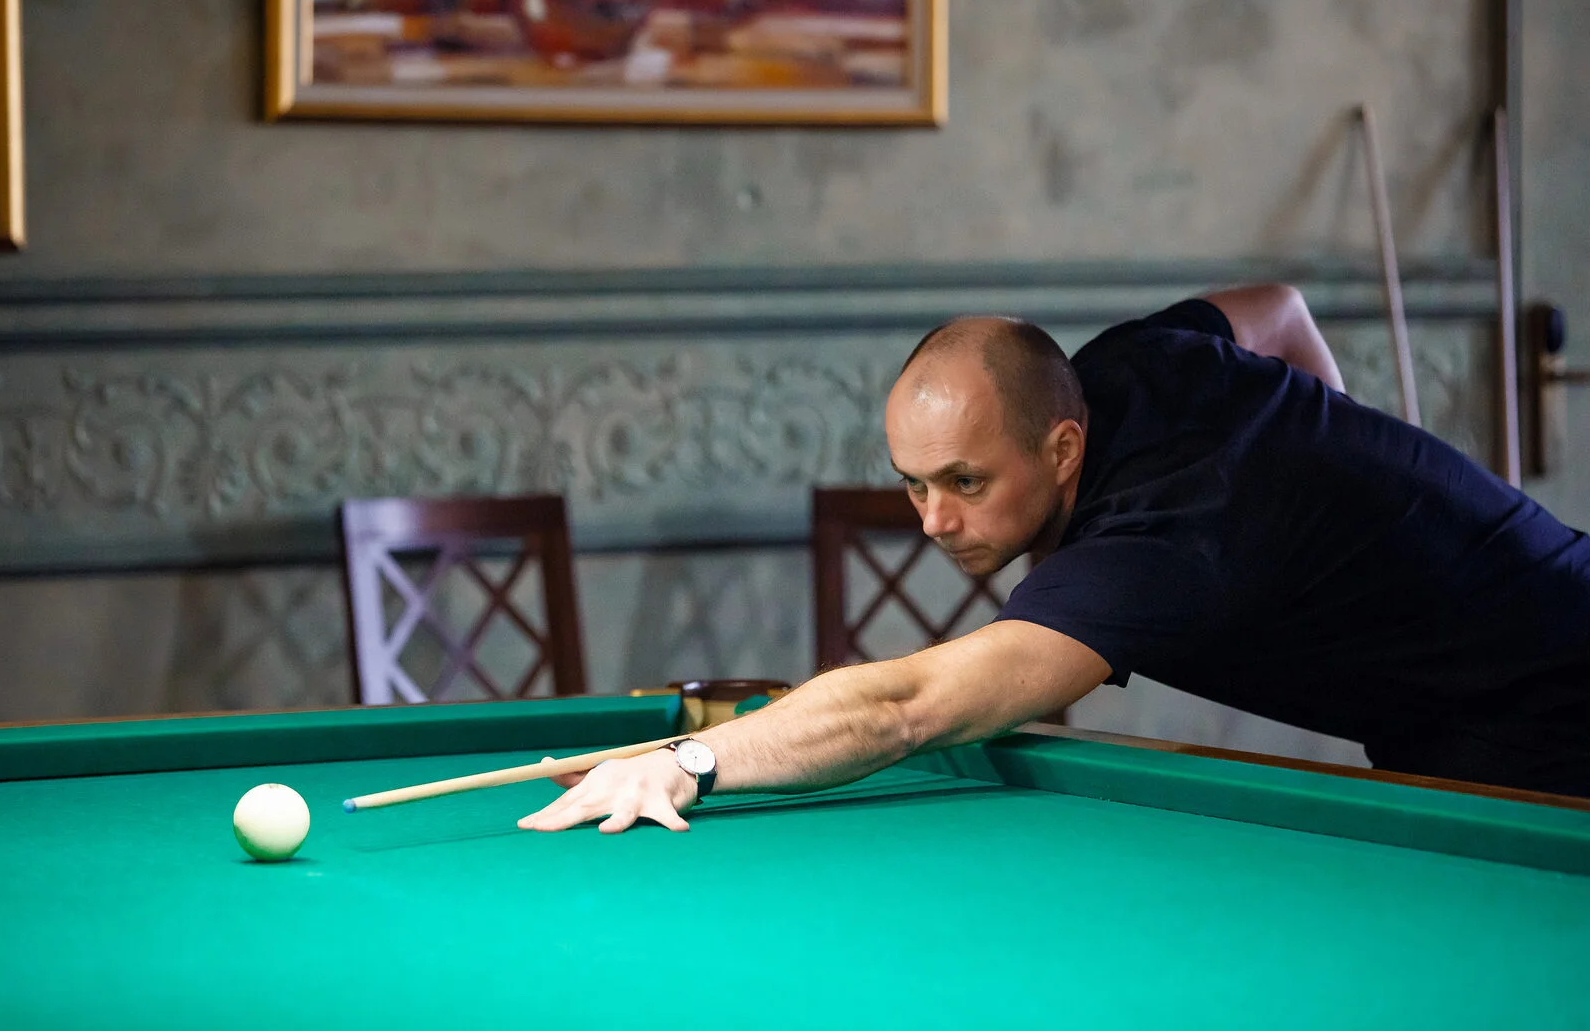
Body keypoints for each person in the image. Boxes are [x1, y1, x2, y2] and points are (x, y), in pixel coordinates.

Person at [518, 286, 1590, 833]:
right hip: (1469, 683)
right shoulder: (1130, 361)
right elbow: (1278, 310)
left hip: (1552, 704)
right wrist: (1341, 479)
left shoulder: (1151, 549)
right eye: (913, 483)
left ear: (1063, 448)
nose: (934, 520)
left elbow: (909, 707)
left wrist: (691, 761)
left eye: (965, 481)